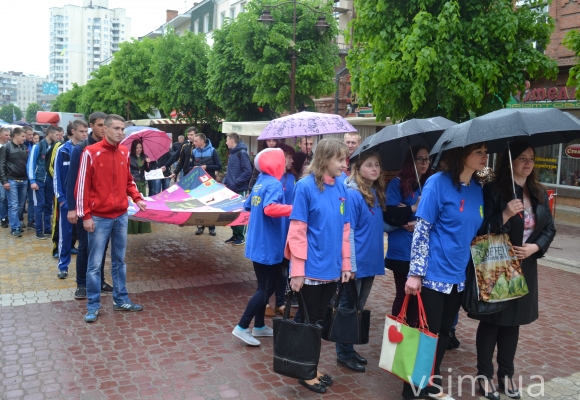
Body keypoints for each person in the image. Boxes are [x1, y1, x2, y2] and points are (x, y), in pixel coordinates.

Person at [470, 141, 556, 400]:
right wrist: (505, 214)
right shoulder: (495, 191)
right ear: (510, 162)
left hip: (526, 267)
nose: (528, 163)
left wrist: (535, 248)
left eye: (531, 158)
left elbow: (550, 228)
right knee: (492, 322)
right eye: (521, 158)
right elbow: (481, 227)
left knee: (513, 323)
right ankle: (484, 377)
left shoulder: (538, 192)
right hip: (498, 265)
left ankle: (506, 375)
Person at [403, 142, 488, 400]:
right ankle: (412, 391)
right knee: (425, 335)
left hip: (458, 277)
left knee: (441, 334)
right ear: (462, 154)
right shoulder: (437, 184)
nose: (485, 156)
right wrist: (416, 273)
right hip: (432, 274)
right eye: (479, 152)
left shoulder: (478, 189)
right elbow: (421, 229)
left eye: (486, 152)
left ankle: (429, 381)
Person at [285, 138, 352, 394]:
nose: (345, 164)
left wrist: (346, 264)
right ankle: (305, 370)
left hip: (332, 270)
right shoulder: (304, 187)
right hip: (311, 270)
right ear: (324, 159)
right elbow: (298, 232)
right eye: (340, 159)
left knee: (318, 321)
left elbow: (345, 230)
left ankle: (309, 365)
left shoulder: (341, 187)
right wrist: (297, 271)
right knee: (308, 321)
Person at [76, 114, 146, 323]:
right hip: (99, 218)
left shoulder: (124, 152)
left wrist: (137, 197)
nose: (121, 132)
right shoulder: (90, 152)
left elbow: (128, 181)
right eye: (116, 128)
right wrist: (85, 216)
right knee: (95, 264)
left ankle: (121, 299)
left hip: (121, 216)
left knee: (120, 261)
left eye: (122, 129)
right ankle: (93, 305)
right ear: (104, 130)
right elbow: (82, 187)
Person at [232, 148, 292, 346]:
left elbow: (248, 205)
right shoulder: (274, 184)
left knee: (264, 287)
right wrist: (294, 208)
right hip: (268, 244)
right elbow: (270, 208)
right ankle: (242, 326)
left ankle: (259, 326)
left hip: (257, 243)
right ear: (275, 164)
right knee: (266, 289)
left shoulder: (260, 183)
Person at [334, 151, 386, 373]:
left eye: (377, 165)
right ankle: (343, 353)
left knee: (358, 308)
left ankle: (350, 347)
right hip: (358, 263)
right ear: (358, 168)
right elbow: (349, 231)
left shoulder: (374, 192)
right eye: (369, 165)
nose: (374, 169)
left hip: (371, 261)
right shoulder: (353, 194)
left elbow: (378, 226)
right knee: (348, 308)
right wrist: (351, 264)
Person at [66, 112, 113, 299]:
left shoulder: (110, 147)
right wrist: (72, 208)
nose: (104, 129)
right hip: (86, 207)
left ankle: (99, 280)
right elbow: (72, 181)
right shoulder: (81, 148)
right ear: (92, 126)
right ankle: (81, 284)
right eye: (101, 125)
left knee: (102, 247)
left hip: (105, 207)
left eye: (105, 125)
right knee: (84, 246)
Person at [384, 146, 432, 329]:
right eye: (420, 159)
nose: (424, 163)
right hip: (402, 249)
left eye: (427, 159)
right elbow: (392, 215)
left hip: (422, 250)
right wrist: (412, 208)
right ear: (410, 162)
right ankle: (397, 332)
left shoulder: (430, 183)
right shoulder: (397, 184)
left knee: (418, 293)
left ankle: (412, 330)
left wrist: (415, 221)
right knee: (403, 293)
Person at [265, 144, 298, 318]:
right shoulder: (271, 180)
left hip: (288, 230)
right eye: (289, 156)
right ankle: (264, 302)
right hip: (274, 231)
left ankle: (279, 302)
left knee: (284, 269)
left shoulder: (292, 178)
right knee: (270, 270)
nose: (292, 160)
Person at [53, 120, 88, 279]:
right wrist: (61, 198)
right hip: (66, 201)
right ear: (73, 131)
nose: (85, 134)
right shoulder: (62, 150)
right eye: (82, 131)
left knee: (85, 237)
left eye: (86, 131)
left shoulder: (87, 149)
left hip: (83, 201)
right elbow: (57, 177)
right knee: (65, 235)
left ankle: (85, 269)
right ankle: (63, 266)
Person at [172, 132, 222, 236]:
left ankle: (212, 227)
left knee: (211, 204)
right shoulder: (194, 152)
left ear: (202, 141)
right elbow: (188, 167)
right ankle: (200, 226)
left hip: (209, 183)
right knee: (199, 205)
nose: (193, 143)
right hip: (198, 183)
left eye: (195, 141)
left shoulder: (213, 151)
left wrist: (206, 167)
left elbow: (219, 166)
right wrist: (193, 168)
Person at [27, 126, 59, 240]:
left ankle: (48, 228)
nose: (58, 137)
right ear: (50, 134)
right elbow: (30, 164)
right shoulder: (38, 146)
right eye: (56, 134)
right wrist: (32, 181)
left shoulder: (55, 147)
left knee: (48, 205)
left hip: (49, 180)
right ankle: (39, 230)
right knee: (39, 205)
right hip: (39, 180)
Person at [223, 133, 253, 245]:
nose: (226, 142)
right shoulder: (232, 154)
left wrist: (236, 182)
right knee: (232, 214)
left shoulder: (242, 153)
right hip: (231, 189)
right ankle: (235, 235)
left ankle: (241, 237)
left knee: (240, 214)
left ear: (232, 140)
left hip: (240, 188)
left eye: (227, 140)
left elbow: (248, 171)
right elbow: (230, 171)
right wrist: (224, 182)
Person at [0, 128, 29, 237]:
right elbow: (1, 165)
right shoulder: (6, 147)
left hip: (23, 180)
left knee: (21, 205)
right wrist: (4, 181)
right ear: (15, 135)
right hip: (11, 180)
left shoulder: (24, 147)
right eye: (22, 136)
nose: (24, 138)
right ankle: (15, 227)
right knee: (14, 205)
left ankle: (16, 224)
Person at [47, 127, 65, 257]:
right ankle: (56, 247)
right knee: (58, 219)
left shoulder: (82, 146)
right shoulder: (59, 146)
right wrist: (60, 184)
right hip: (60, 191)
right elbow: (51, 168)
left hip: (73, 192)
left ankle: (69, 245)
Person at [127, 140, 152, 234]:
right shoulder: (129, 157)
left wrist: (148, 163)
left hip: (142, 182)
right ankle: (132, 228)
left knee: (142, 204)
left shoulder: (145, 157)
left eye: (140, 147)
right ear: (133, 148)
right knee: (133, 205)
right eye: (137, 148)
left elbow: (148, 170)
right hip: (133, 184)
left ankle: (143, 227)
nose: (139, 149)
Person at [22, 126, 35, 229]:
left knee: (31, 200)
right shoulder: (21, 146)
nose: (31, 136)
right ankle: (20, 219)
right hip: (21, 176)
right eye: (29, 134)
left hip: (30, 177)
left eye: (32, 134)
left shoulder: (33, 145)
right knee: (21, 200)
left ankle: (30, 221)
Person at [0, 127, 12, 228]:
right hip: (1, 177)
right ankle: (3, 217)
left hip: (8, 175)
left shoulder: (9, 147)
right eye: (6, 135)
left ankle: (6, 215)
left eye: (9, 135)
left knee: (8, 198)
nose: (8, 137)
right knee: (3, 198)